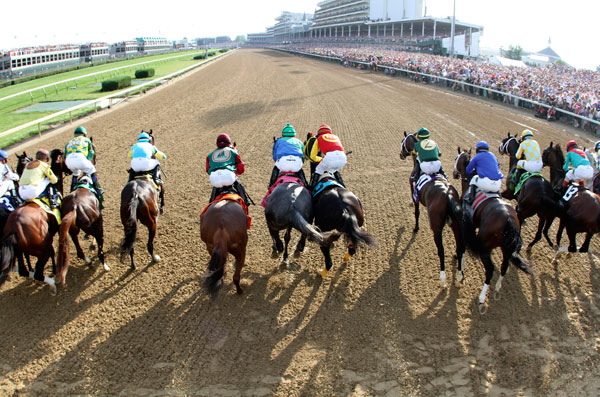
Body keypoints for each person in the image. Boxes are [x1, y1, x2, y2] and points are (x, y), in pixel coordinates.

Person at [206, 133, 252, 206]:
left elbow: (208, 169)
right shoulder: (233, 152)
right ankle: (246, 200)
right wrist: (235, 172)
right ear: (228, 142)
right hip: (229, 177)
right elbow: (241, 168)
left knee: (215, 187)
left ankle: (211, 202)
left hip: (214, 179)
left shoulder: (210, 155)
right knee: (237, 181)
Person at [462, 141, 504, 207]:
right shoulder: (493, 156)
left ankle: (470, 197)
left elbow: (468, 170)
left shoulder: (477, 156)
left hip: (486, 184)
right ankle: (500, 196)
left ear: (477, 149)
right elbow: (497, 167)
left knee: (474, 178)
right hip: (498, 184)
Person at [65, 126, 103, 196]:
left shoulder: (69, 142)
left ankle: (71, 190)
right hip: (80, 158)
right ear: (84, 134)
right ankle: (97, 189)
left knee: (76, 173)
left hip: (69, 160)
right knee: (92, 169)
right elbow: (91, 153)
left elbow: (65, 155)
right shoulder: (86, 140)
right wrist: (87, 159)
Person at [307, 124, 346, 190]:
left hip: (329, 158)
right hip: (343, 158)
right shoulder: (336, 137)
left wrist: (321, 159)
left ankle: (311, 189)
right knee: (334, 170)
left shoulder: (319, 138)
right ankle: (343, 187)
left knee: (318, 170)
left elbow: (312, 156)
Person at [269, 123, 308, 188]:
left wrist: (277, 162)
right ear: (294, 134)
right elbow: (302, 158)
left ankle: (271, 185)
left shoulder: (278, 141)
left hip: (283, 164)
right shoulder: (299, 142)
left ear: (283, 134)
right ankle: (305, 185)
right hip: (296, 165)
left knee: (276, 168)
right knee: (300, 170)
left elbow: (275, 156)